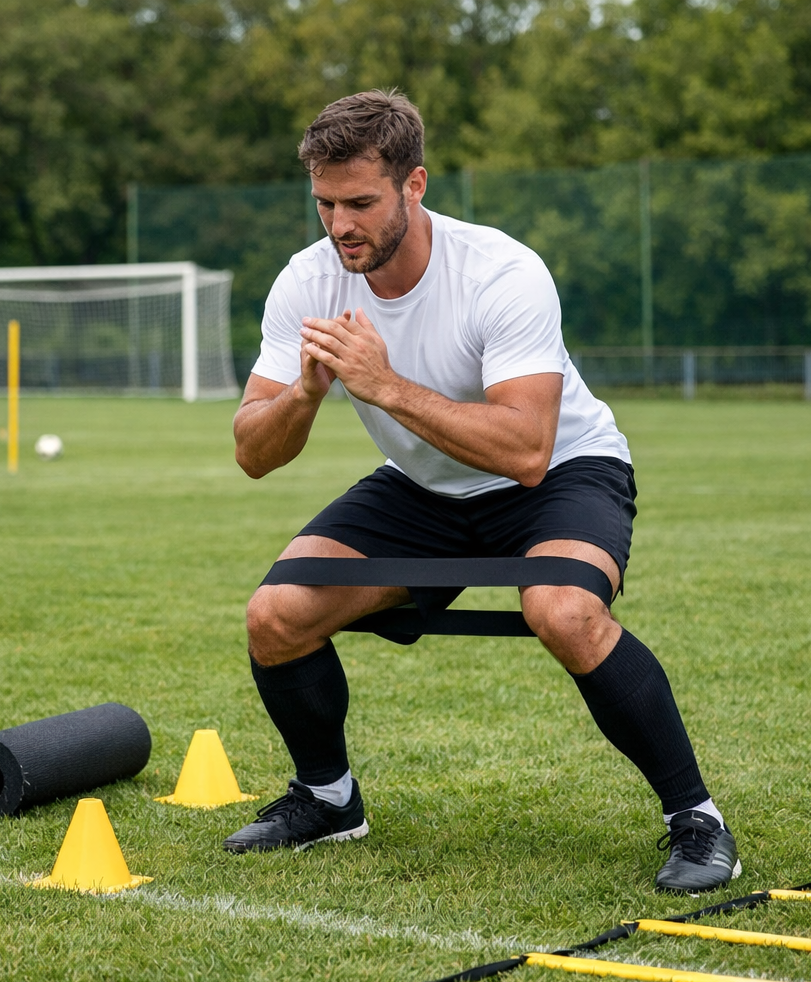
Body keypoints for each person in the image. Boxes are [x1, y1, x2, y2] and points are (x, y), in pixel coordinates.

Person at [226, 88, 739, 893]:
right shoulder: (308, 281)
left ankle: (697, 819)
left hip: (563, 473)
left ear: (414, 185)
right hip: (425, 487)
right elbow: (253, 453)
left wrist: (385, 386)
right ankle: (329, 801)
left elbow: (528, 450)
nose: (340, 226)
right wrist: (305, 393)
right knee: (276, 616)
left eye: (360, 202)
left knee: (562, 609)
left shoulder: (502, 272)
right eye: (324, 204)